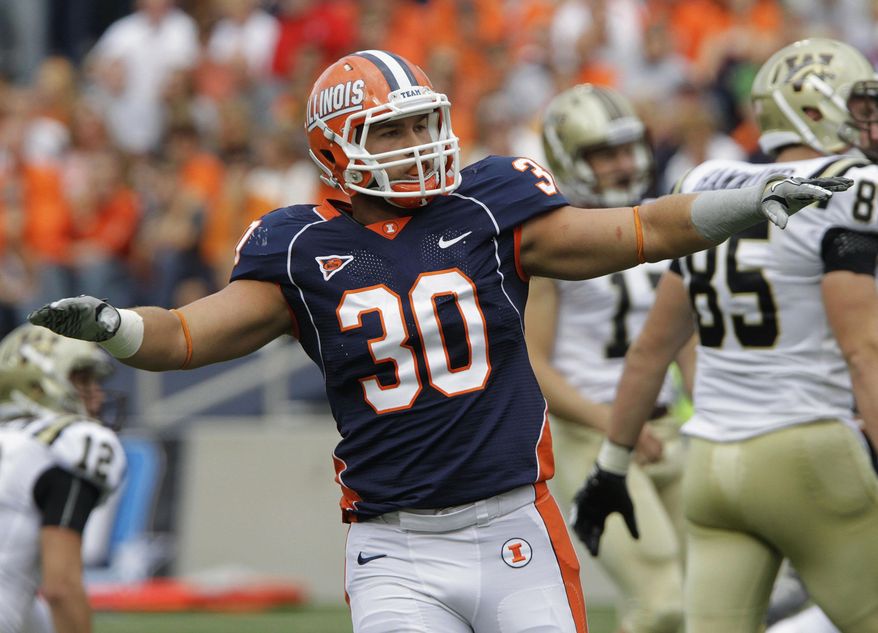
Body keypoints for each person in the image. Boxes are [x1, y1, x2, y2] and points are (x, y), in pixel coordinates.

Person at [28, 49, 847, 633]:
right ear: (334, 149)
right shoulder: (300, 247)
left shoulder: (487, 208)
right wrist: (115, 327)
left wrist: (743, 202)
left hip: (517, 526)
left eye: (423, 121)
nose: (418, 141)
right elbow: (181, 336)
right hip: (396, 546)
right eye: (390, 131)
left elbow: (635, 225)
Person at [570, 37, 878, 633]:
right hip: (808, 449)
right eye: (857, 104)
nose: (869, 119)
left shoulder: (710, 180)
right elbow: (863, 354)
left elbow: (651, 350)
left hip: (711, 465)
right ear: (811, 111)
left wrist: (611, 465)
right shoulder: (853, 186)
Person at [526, 83, 689, 633]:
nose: (624, 164)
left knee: (718, 599)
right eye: (605, 153)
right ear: (570, 160)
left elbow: (682, 336)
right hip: (593, 435)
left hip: (669, 428)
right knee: (660, 600)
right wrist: (613, 425)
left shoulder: (655, 222)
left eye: (627, 148)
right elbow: (534, 366)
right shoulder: (555, 237)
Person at [0, 323, 127, 633]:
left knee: (35, 618)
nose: (96, 395)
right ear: (39, 384)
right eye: (83, 380)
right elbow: (61, 587)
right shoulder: (67, 444)